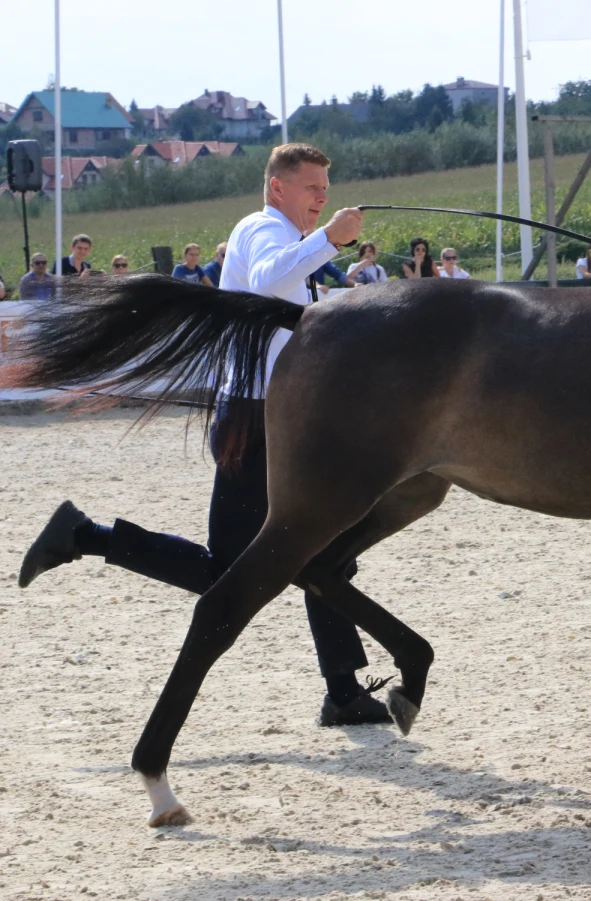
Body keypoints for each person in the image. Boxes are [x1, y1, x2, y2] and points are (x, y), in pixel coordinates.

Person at [19, 142, 388, 728]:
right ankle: (86, 536)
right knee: (232, 570)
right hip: (253, 417)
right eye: (312, 186)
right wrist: (329, 241)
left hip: (281, 417)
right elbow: (268, 282)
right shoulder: (259, 231)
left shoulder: (288, 241)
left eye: (326, 187)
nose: (322, 197)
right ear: (277, 189)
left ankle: (344, 691)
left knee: (323, 551)